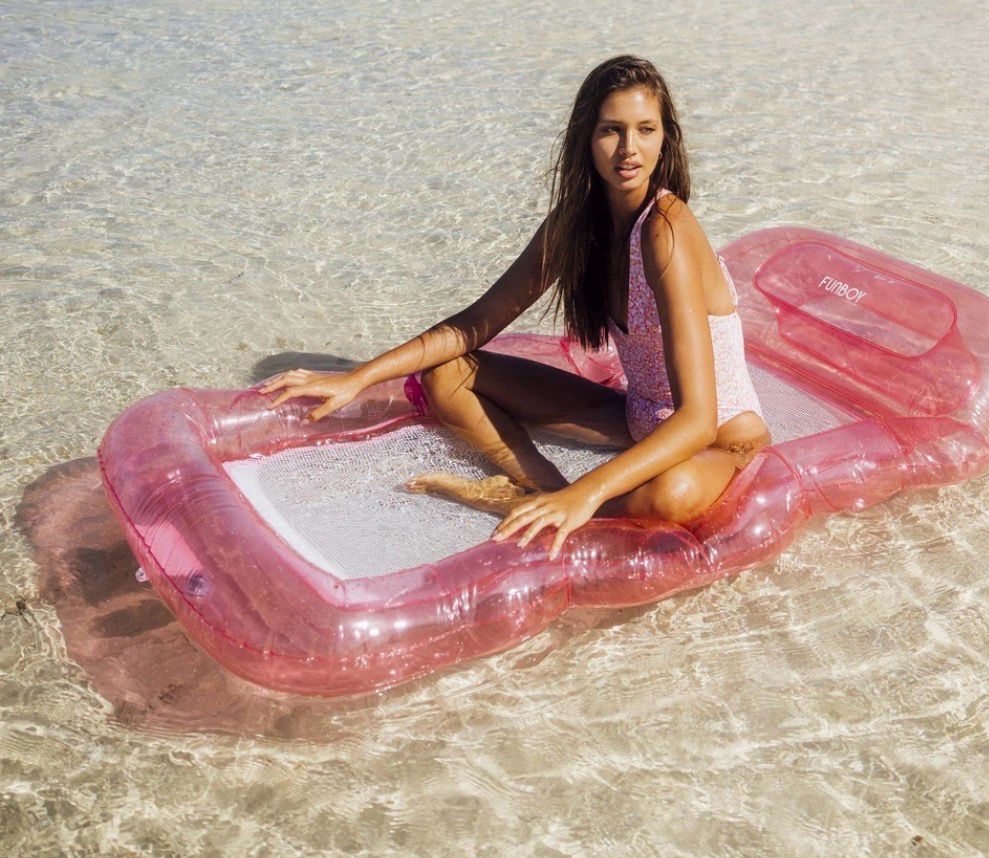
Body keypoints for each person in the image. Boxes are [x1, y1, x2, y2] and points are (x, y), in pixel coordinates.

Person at [259, 54, 771, 560]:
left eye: (646, 129)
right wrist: (358, 378)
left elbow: (699, 419)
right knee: (449, 374)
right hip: (638, 418)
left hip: (719, 443)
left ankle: (564, 503)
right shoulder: (576, 226)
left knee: (670, 496)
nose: (629, 148)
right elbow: (475, 324)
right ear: (586, 140)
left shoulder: (667, 226)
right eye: (611, 130)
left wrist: (586, 491)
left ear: (666, 139)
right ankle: (535, 492)